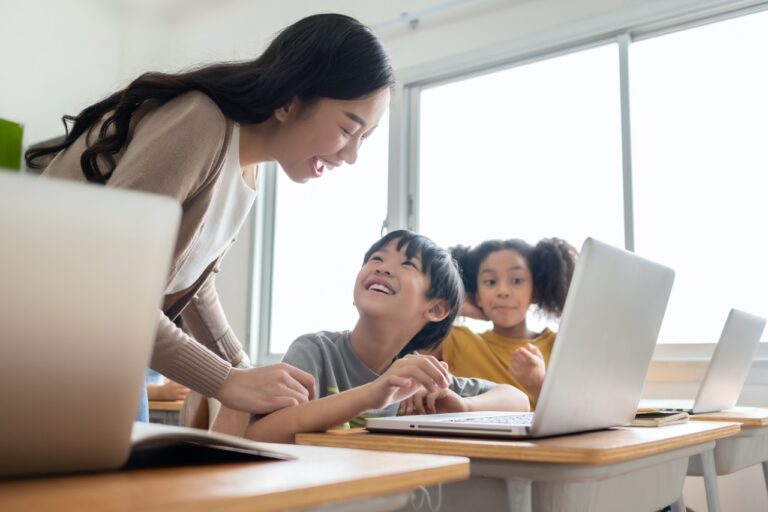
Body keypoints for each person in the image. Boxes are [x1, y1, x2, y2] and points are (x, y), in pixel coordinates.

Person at [24, 14, 395, 420]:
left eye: (365, 138)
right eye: (347, 129)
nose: (352, 155)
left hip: (99, 345)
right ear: (290, 100)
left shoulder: (248, 171)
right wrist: (226, 380)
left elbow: (195, 287)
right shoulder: (201, 121)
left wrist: (244, 369)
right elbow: (111, 282)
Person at [228, 230, 530, 443]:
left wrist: (463, 408)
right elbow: (260, 435)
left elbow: (517, 400)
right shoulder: (316, 351)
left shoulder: (415, 376)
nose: (383, 268)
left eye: (407, 264)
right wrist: (373, 394)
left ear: (436, 308)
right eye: (376, 259)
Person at [428, 238, 578, 408]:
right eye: (490, 282)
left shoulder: (560, 346)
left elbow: (578, 414)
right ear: (476, 294)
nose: (503, 292)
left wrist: (539, 385)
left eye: (517, 280)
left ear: (535, 291)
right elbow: (405, 346)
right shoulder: (455, 341)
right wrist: (456, 305)